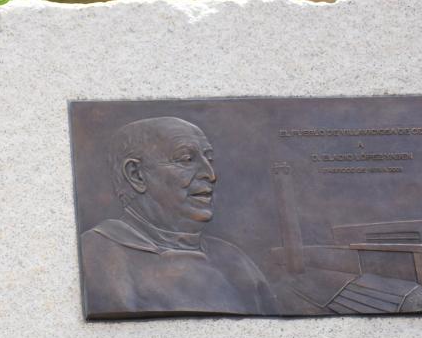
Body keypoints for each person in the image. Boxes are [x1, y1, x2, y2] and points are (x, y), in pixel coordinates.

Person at [80, 116, 278, 317]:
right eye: (186, 159)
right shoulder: (97, 256)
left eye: (209, 160)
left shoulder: (234, 260)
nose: (210, 175)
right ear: (136, 175)